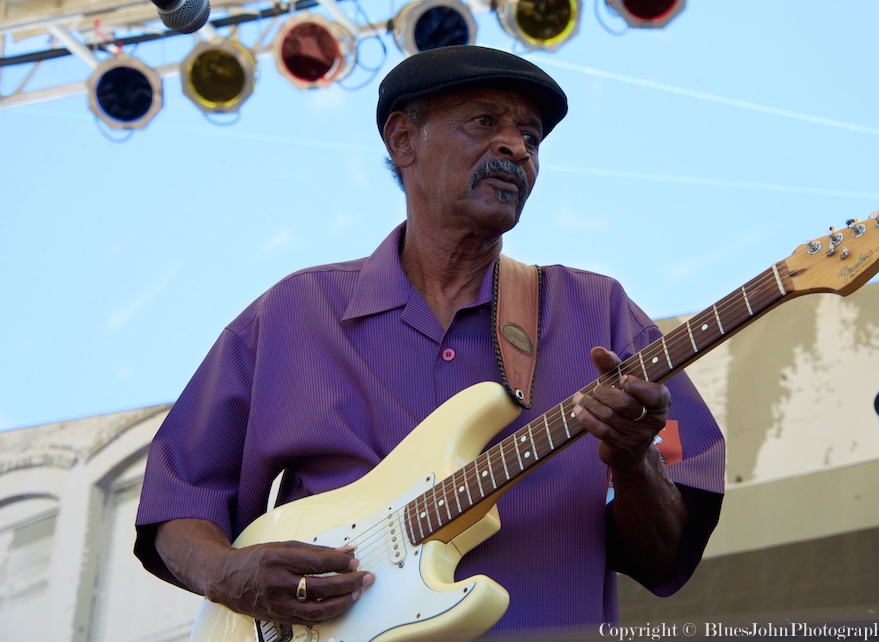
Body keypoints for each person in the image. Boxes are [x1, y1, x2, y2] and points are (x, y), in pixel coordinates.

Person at [135, 45, 725, 639]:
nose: (516, 148)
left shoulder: (602, 315)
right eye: (484, 122)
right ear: (402, 140)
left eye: (531, 136)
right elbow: (179, 497)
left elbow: (663, 556)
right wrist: (227, 573)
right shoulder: (295, 312)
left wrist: (634, 460)